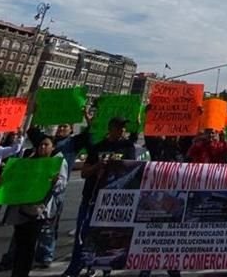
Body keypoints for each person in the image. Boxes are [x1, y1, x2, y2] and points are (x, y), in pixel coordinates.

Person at [62, 116, 137, 277]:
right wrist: (98, 165)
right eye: (119, 127)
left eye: (124, 128)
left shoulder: (128, 147)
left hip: (114, 201)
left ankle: (105, 268)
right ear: (110, 129)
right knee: (83, 235)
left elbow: (132, 170)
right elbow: (84, 172)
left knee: (109, 237)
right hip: (92, 198)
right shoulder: (97, 148)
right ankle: (75, 267)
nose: (122, 130)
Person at [8, 136, 68, 277]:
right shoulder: (28, 161)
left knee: (29, 245)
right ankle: (17, 271)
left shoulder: (57, 162)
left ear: (53, 147)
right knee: (20, 243)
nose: (42, 147)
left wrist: (54, 182)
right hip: (22, 208)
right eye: (40, 144)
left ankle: (22, 272)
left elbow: (62, 185)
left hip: (39, 210)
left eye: (46, 145)